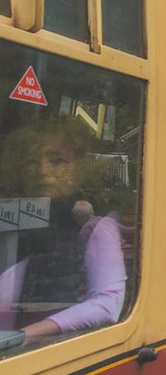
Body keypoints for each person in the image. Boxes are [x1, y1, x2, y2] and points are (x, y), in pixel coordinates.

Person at [0, 120, 127, 347]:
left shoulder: (96, 225)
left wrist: (22, 335)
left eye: (58, 161)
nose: (42, 171)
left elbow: (107, 304)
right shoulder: (21, 219)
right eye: (30, 162)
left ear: (81, 166)